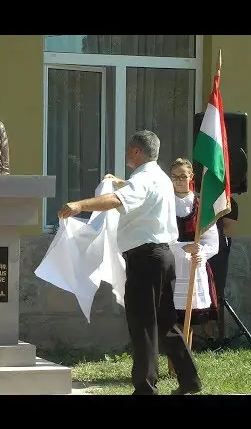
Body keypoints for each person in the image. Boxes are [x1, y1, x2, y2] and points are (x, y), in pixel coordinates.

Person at [57, 130, 202, 395]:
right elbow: (139, 193)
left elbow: (117, 200)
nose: (126, 154)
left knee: (143, 325)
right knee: (166, 323)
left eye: (128, 149)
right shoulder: (159, 178)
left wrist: (79, 205)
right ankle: (190, 380)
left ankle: (145, 389)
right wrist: (120, 182)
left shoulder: (144, 179)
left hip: (145, 260)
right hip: (163, 257)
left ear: (137, 151)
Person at [169, 158, 220, 338]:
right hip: (171, 266)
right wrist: (182, 248)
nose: (179, 181)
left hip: (193, 267)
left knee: (187, 320)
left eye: (183, 176)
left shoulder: (200, 205)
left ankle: (185, 359)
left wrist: (201, 253)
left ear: (191, 177)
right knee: (170, 318)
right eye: (175, 177)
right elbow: (159, 236)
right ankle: (172, 364)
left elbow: (213, 242)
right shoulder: (165, 204)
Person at [208, 195, 239, 336]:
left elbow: (228, 229)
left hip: (218, 253)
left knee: (217, 294)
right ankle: (205, 337)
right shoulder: (196, 201)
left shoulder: (229, 201)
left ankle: (218, 336)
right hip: (197, 250)